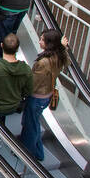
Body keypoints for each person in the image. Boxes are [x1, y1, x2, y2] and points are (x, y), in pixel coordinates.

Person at [22, 29, 68, 160]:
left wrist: (22, 93)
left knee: (31, 124)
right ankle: (34, 150)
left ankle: (30, 152)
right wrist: (63, 46)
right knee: (33, 121)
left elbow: (34, 83)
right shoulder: (59, 55)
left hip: (36, 97)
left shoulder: (43, 63)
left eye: (42, 39)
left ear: (50, 44)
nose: (40, 41)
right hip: (46, 95)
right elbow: (62, 50)